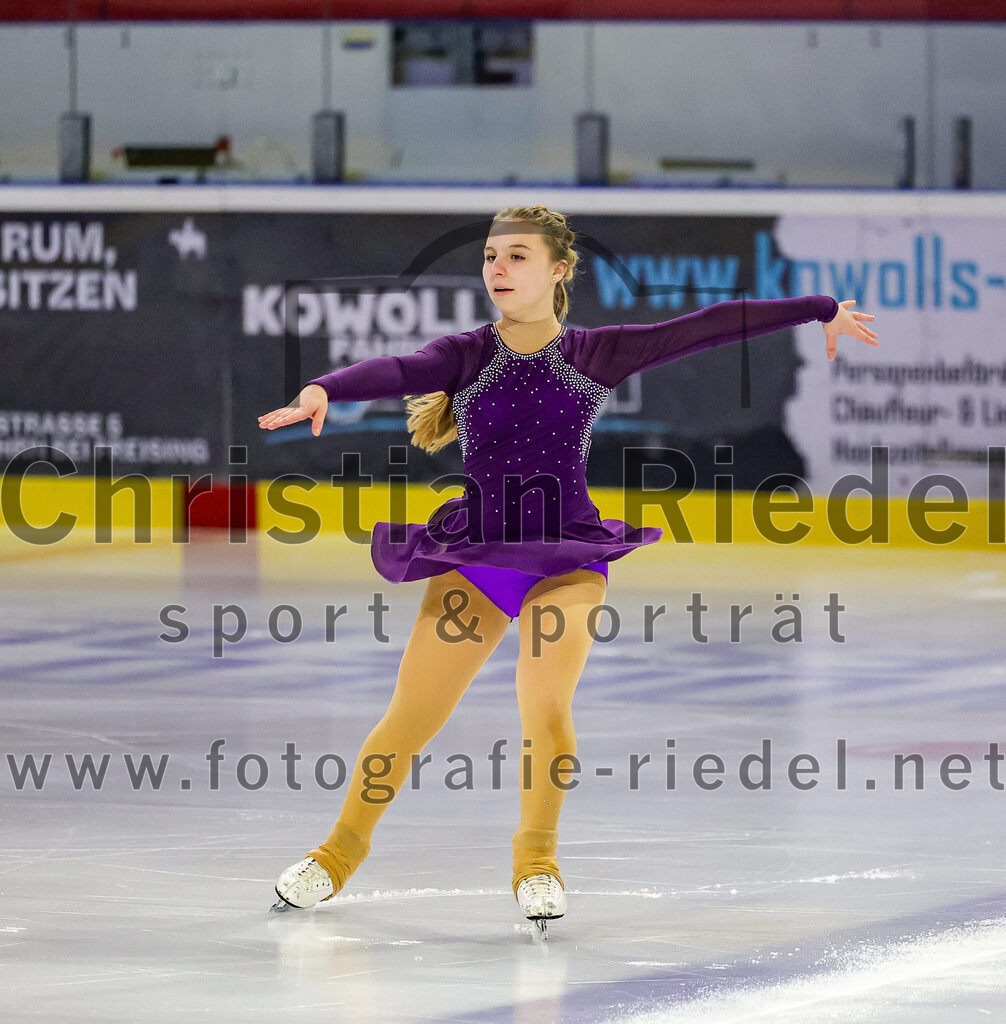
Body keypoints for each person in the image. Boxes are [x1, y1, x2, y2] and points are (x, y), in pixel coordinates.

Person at [257, 203, 879, 935]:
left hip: (567, 558)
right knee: (410, 719)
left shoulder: (597, 352)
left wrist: (822, 309)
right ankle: (338, 852)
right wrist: (327, 387)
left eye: (516, 255)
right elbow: (398, 369)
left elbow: (711, 324)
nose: (497, 268)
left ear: (557, 270)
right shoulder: (468, 353)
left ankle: (537, 862)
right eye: (491, 255)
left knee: (546, 709)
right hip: (479, 556)